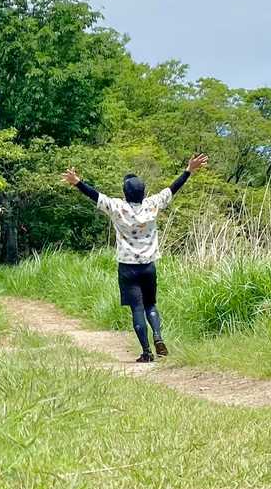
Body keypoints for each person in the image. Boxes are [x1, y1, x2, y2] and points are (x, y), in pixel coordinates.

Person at [62, 155, 209, 363]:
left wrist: (77, 182)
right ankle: (158, 336)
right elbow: (172, 189)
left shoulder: (117, 207)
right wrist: (188, 171)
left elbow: (94, 195)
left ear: (125, 193)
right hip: (148, 266)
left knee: (137, 309)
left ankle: (147, 352)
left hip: (127, 267)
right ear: (143, 192)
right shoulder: (152, 205)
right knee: (151, 305)